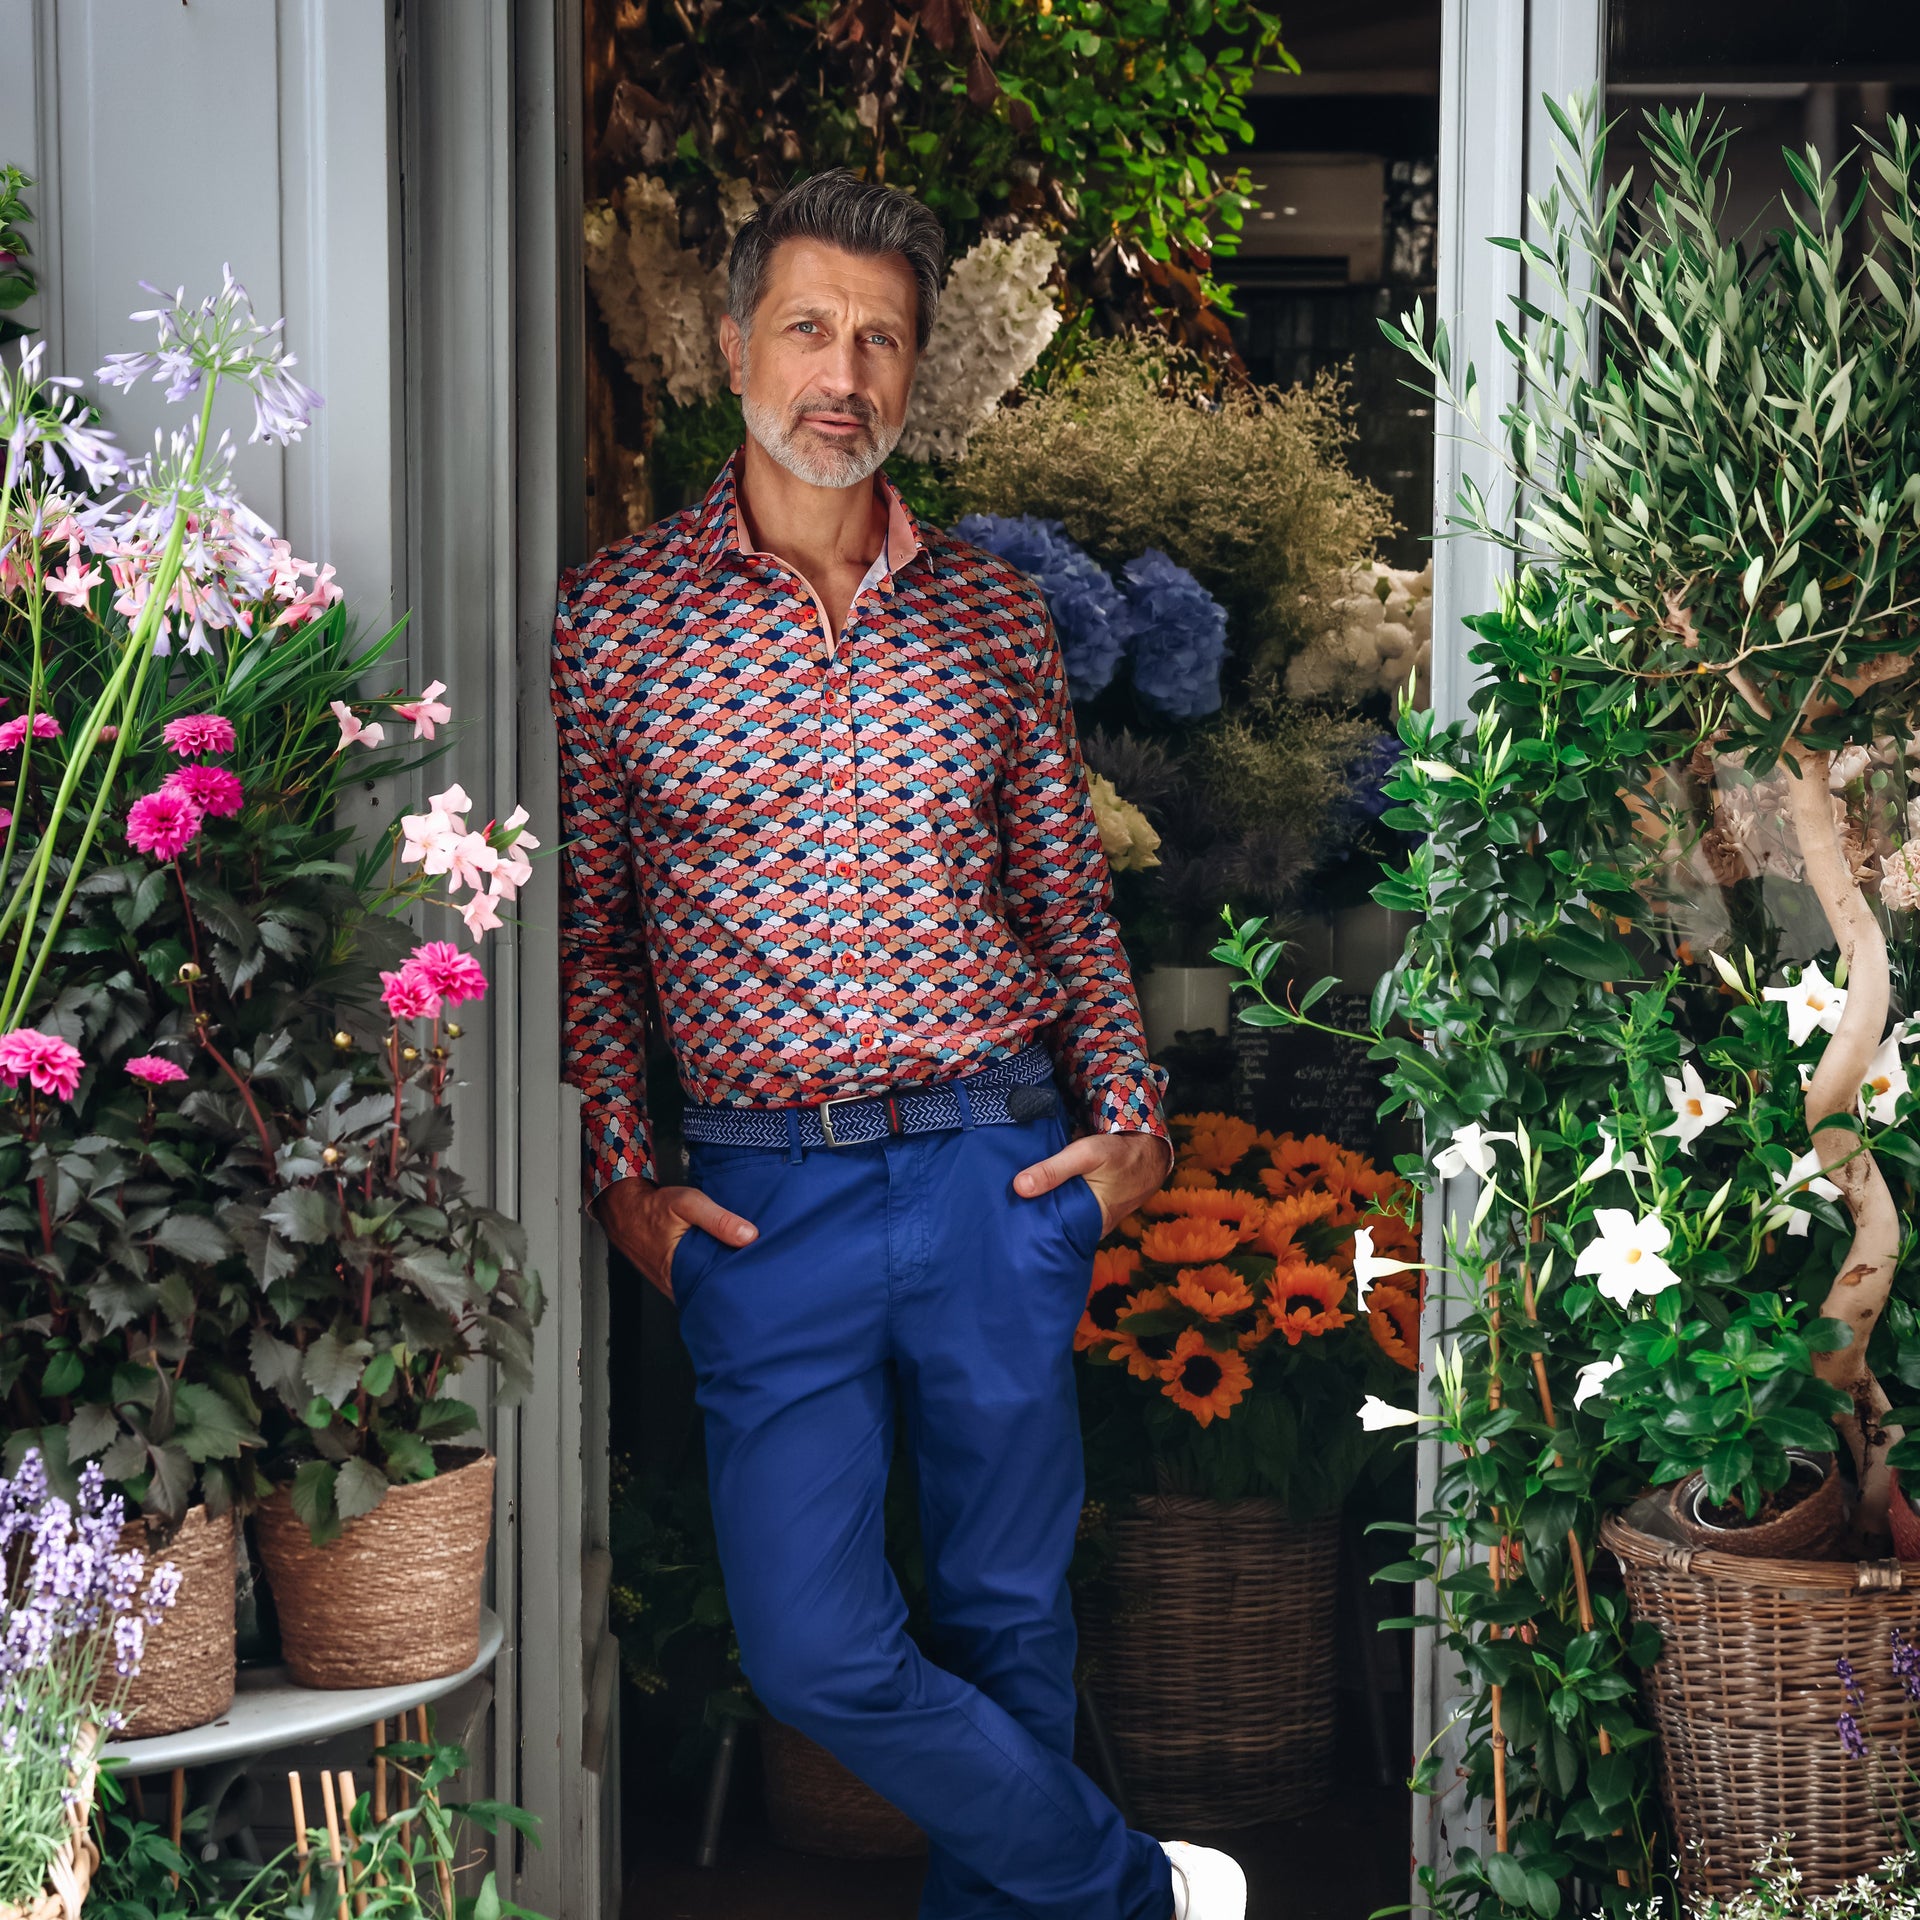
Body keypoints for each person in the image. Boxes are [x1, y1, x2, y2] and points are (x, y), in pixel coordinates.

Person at [552, 168, 1246, 1920]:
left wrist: (1131, 1131)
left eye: (880, 337)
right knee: (813, 1645)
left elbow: (1070, 906)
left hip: (990, 1164)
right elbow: (591, 937)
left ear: (915, 371)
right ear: (732, 350)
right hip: (762, 1199)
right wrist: (629, 1178)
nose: (840, 370)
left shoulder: (996, 623)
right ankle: (1134, 1890)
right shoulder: (613, 623)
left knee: (1010, 1615)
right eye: (807, 327)